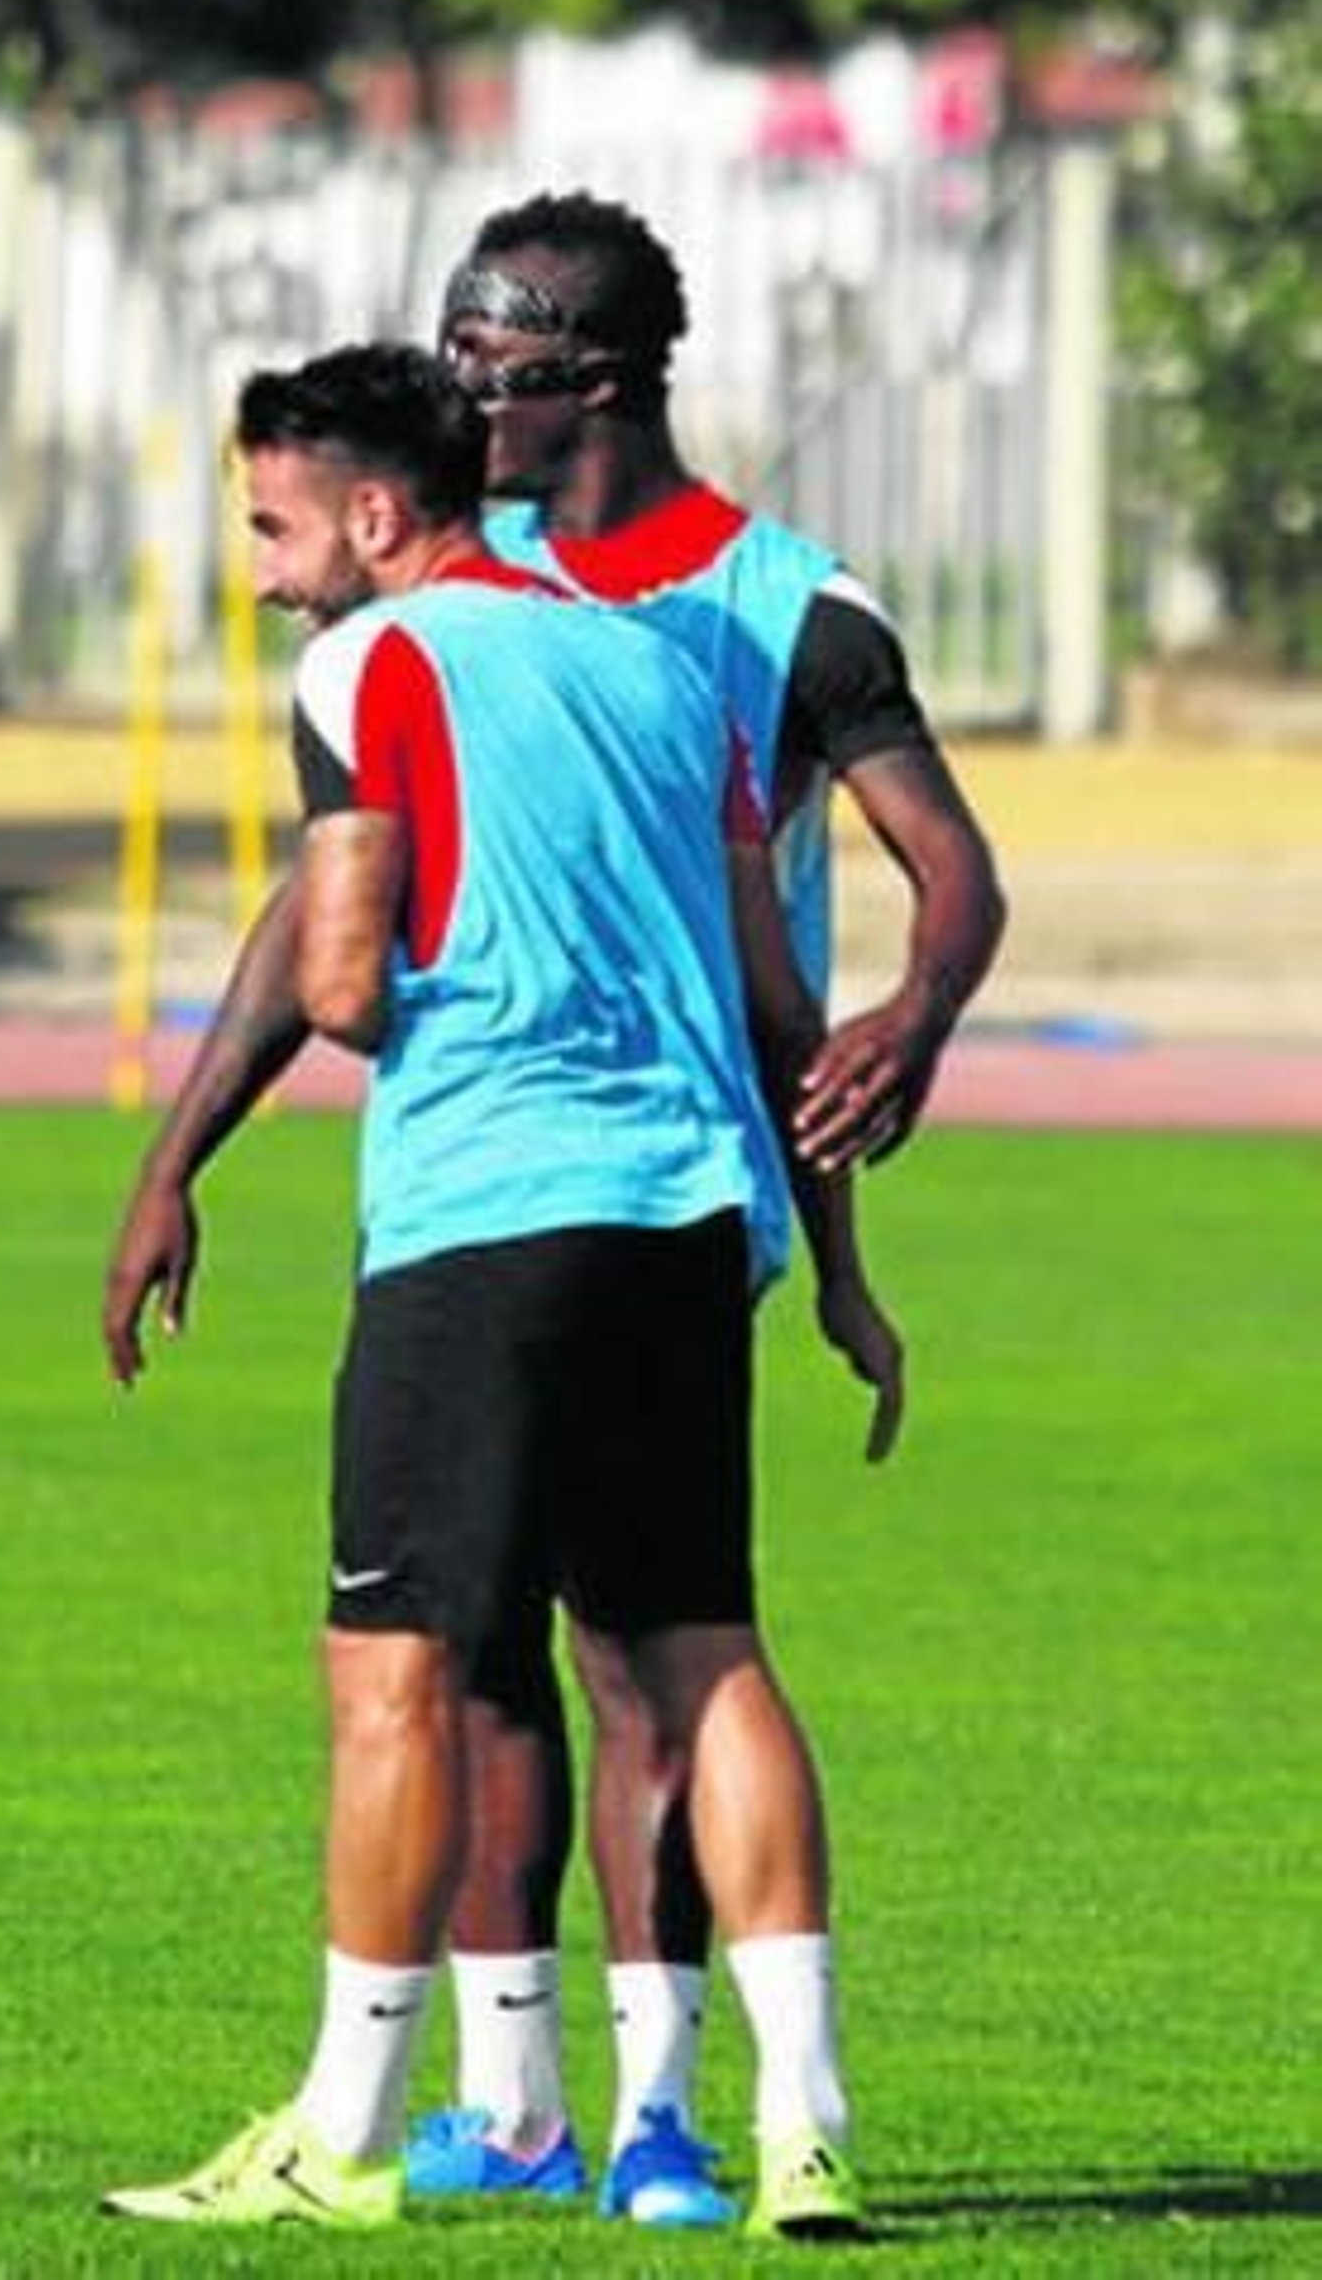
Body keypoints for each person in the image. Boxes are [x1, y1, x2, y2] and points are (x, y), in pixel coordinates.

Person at [101, 191, 1006, 2223]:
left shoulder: (751, 612)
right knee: (662, 1658)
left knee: (448, 1665)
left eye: (478, 354)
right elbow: (760, 990)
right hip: (693, 1187)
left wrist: (913, 1021)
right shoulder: (630, 665)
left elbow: (335, 959)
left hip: (494, 1196)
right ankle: (675, 2121)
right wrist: (835, 1247)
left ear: (575, 374)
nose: (452, 380)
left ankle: (444, 2126)